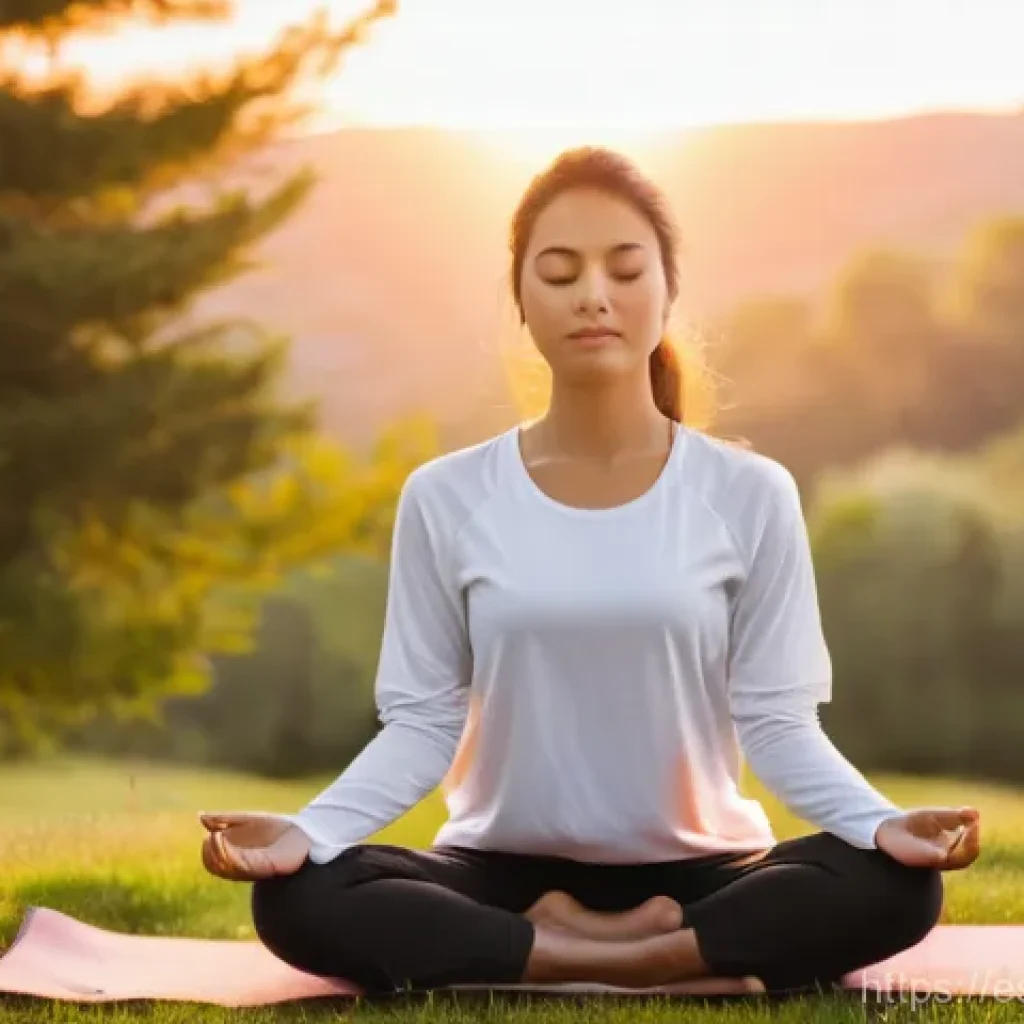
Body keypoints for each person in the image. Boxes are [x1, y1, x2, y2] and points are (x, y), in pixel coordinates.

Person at [199, 146, 981, 997]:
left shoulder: (748, 493)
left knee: (896, 883)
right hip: (499, 876)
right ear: (523, 304)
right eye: (561, 273)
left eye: (624, 267)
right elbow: (423, 726)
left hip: (706, 876)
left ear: (666, 293)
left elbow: (778, 725)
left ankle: (580, 959)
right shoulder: (447, 496)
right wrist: (306, 835)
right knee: (301, 898)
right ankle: (664, 965)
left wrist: (880, 825)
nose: (593, 295)